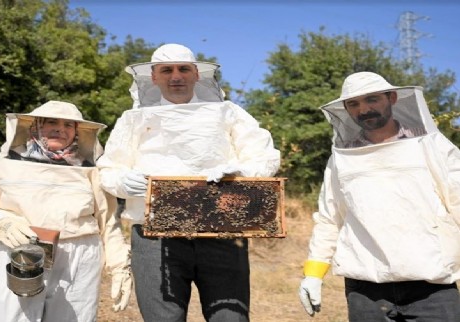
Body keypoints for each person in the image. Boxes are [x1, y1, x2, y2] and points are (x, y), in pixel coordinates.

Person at [97, 43, 281, 322]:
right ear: (154, 77)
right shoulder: (132, 119)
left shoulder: (228, 112)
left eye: (184, 69)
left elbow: (264, 157)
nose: (176, 77)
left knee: (230, 318)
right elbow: (108, 170)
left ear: (196, 74)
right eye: (166, 70)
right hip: (153, 236)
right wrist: (124, 181)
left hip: (222, 231)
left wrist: (241, 172)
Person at [0, 100, 132, 322]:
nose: (60, 129)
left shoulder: (91, 172)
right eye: (51, 122)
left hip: (76, 263)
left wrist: (120, 266)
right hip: (12, 256)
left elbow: (108, 223)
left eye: (68, 125)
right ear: (34, 126)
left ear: (77, 132)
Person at [298, 71, 460, 321]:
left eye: (371, 99)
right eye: (353, 104)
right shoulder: (342, 158)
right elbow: (330, 218)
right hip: (365, 288)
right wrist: (313, 273)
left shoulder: (430, 145)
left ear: (392, 98)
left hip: (432, 284)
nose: (363, 110)